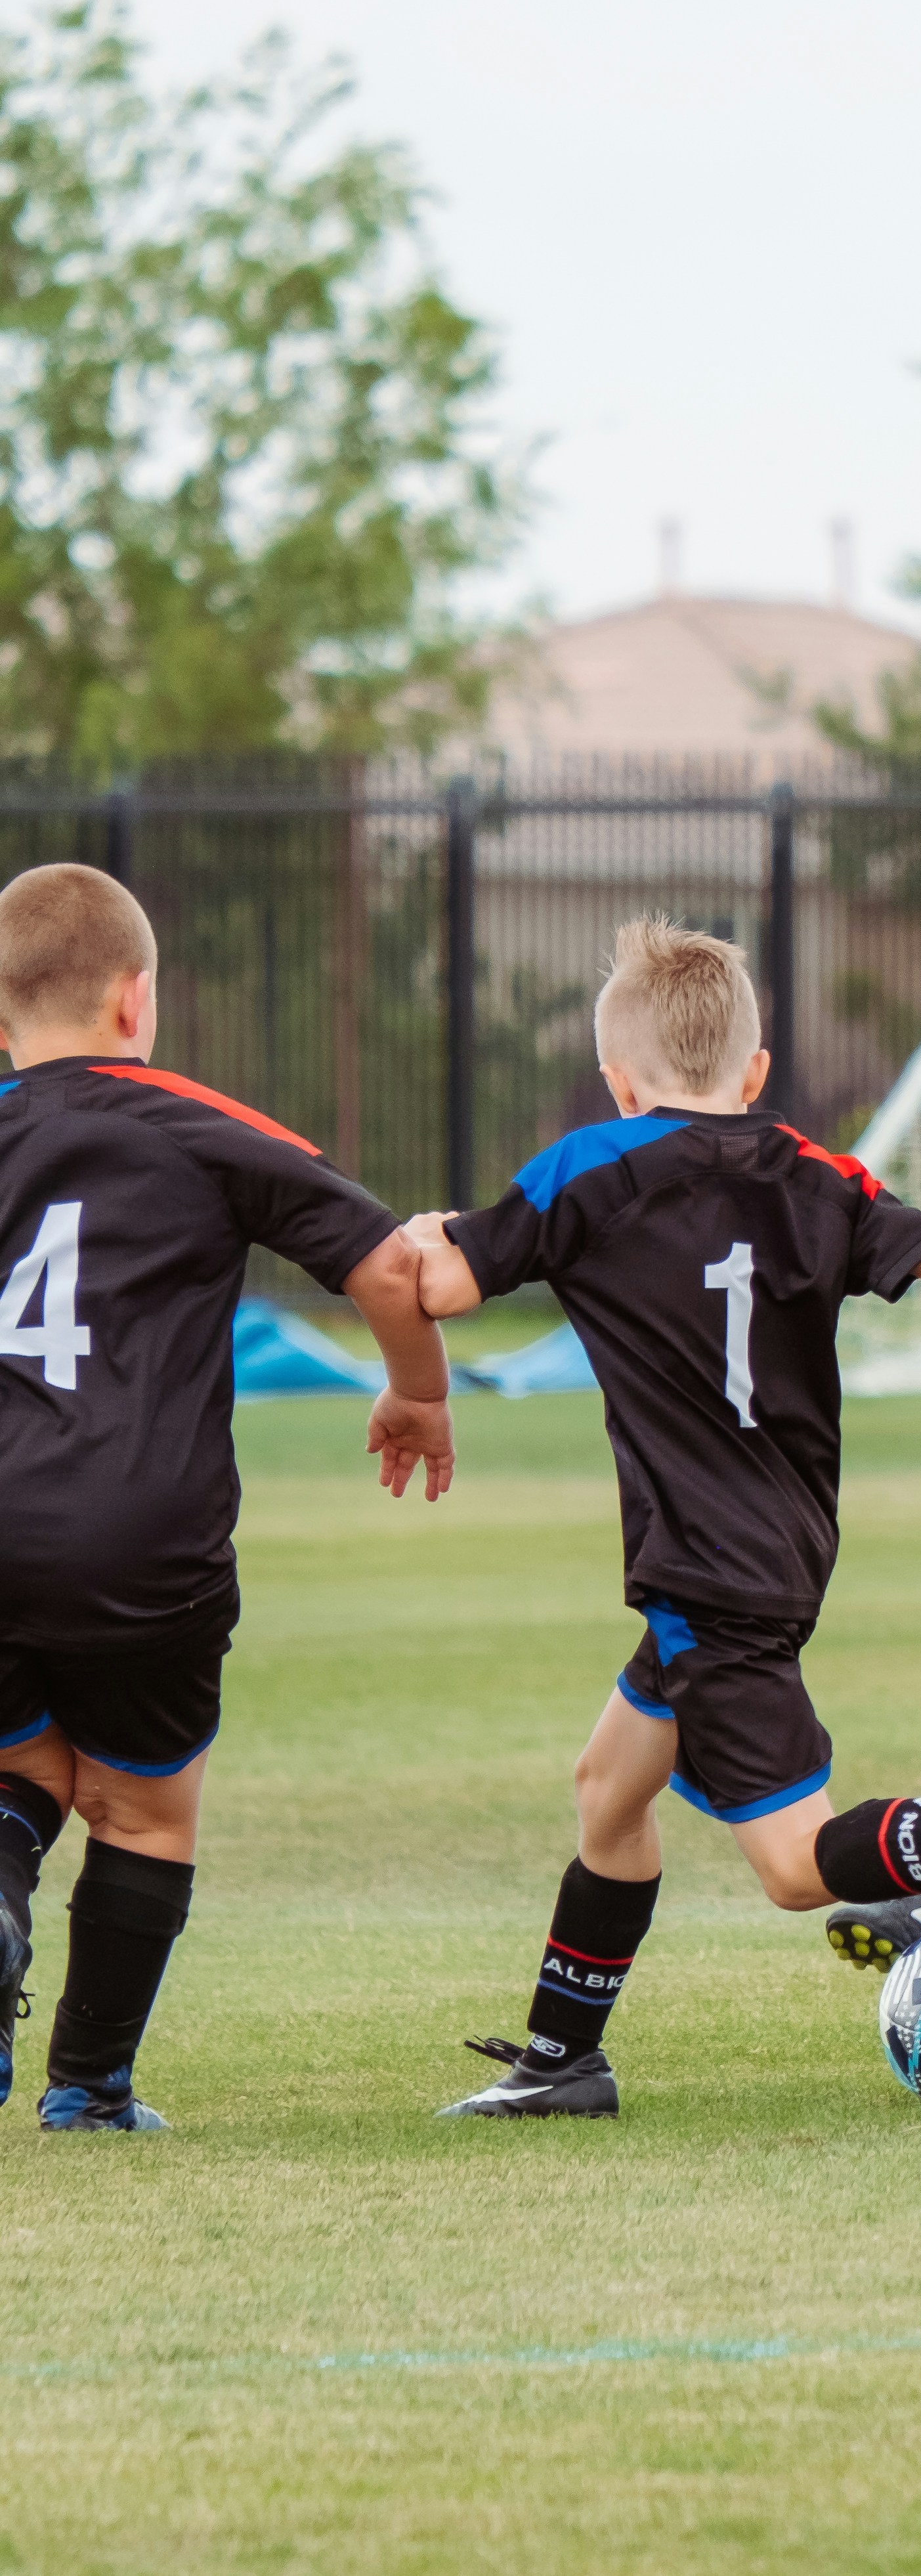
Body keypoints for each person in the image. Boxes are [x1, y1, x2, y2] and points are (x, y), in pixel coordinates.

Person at [408, 916, 921, 2119]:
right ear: (757, 1073)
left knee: (790, 1866)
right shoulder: (818, 1177)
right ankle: (564, 2057)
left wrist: (416, 1239)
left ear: (618, 1082)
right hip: (778, 1547)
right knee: (610, 1788)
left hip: (701, 1569)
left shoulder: (588, 1168)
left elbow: (444, 1283)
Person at [0, 864, 454, 2133]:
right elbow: (386, 1265)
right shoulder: (197, 1123)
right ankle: (87, 2089)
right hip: (144, 1530)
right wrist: (418, 1393)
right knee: (142, 1802)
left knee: (20, 1762)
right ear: (138, 999)